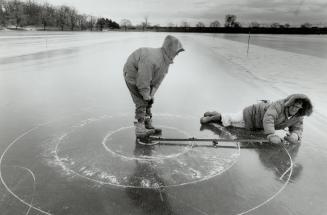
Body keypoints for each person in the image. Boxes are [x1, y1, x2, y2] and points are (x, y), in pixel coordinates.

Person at [124, 35, 184, 137]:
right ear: (170, 49)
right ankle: (140, 128)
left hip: (144, 77)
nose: (177, 55)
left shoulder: (166, 61)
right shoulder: (152, 59)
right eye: (176, 52)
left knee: (149, 99)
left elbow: (157, 81)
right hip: (132, 73)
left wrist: (151, 94)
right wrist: (146, 95)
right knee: (141, 100)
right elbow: (143, 80)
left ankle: (147, 123)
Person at [200, 94, 313, 144]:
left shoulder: (298, 116)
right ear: (289, 103)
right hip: (251, 113)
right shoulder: (278, 105)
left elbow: (298, 127)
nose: (294, 108)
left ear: (301, 108)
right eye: (293, 105)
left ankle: (215, 114)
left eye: (298, 107)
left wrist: (295, 135)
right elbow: (269, 118)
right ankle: (212, 117)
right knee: (232, 118)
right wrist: (271, 134)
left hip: (256, 125)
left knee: (230, 124)